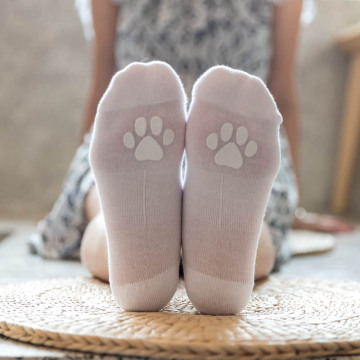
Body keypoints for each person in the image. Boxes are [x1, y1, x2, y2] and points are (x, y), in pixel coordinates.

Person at [27, 0, 336, 313]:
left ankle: (138, 265)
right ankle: (221, 268)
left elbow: (103, 88)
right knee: (256, 225)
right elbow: (282, 96)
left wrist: (93, 162)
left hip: (146, 127)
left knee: (106, 211)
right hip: (226, 133)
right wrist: (293, 207)